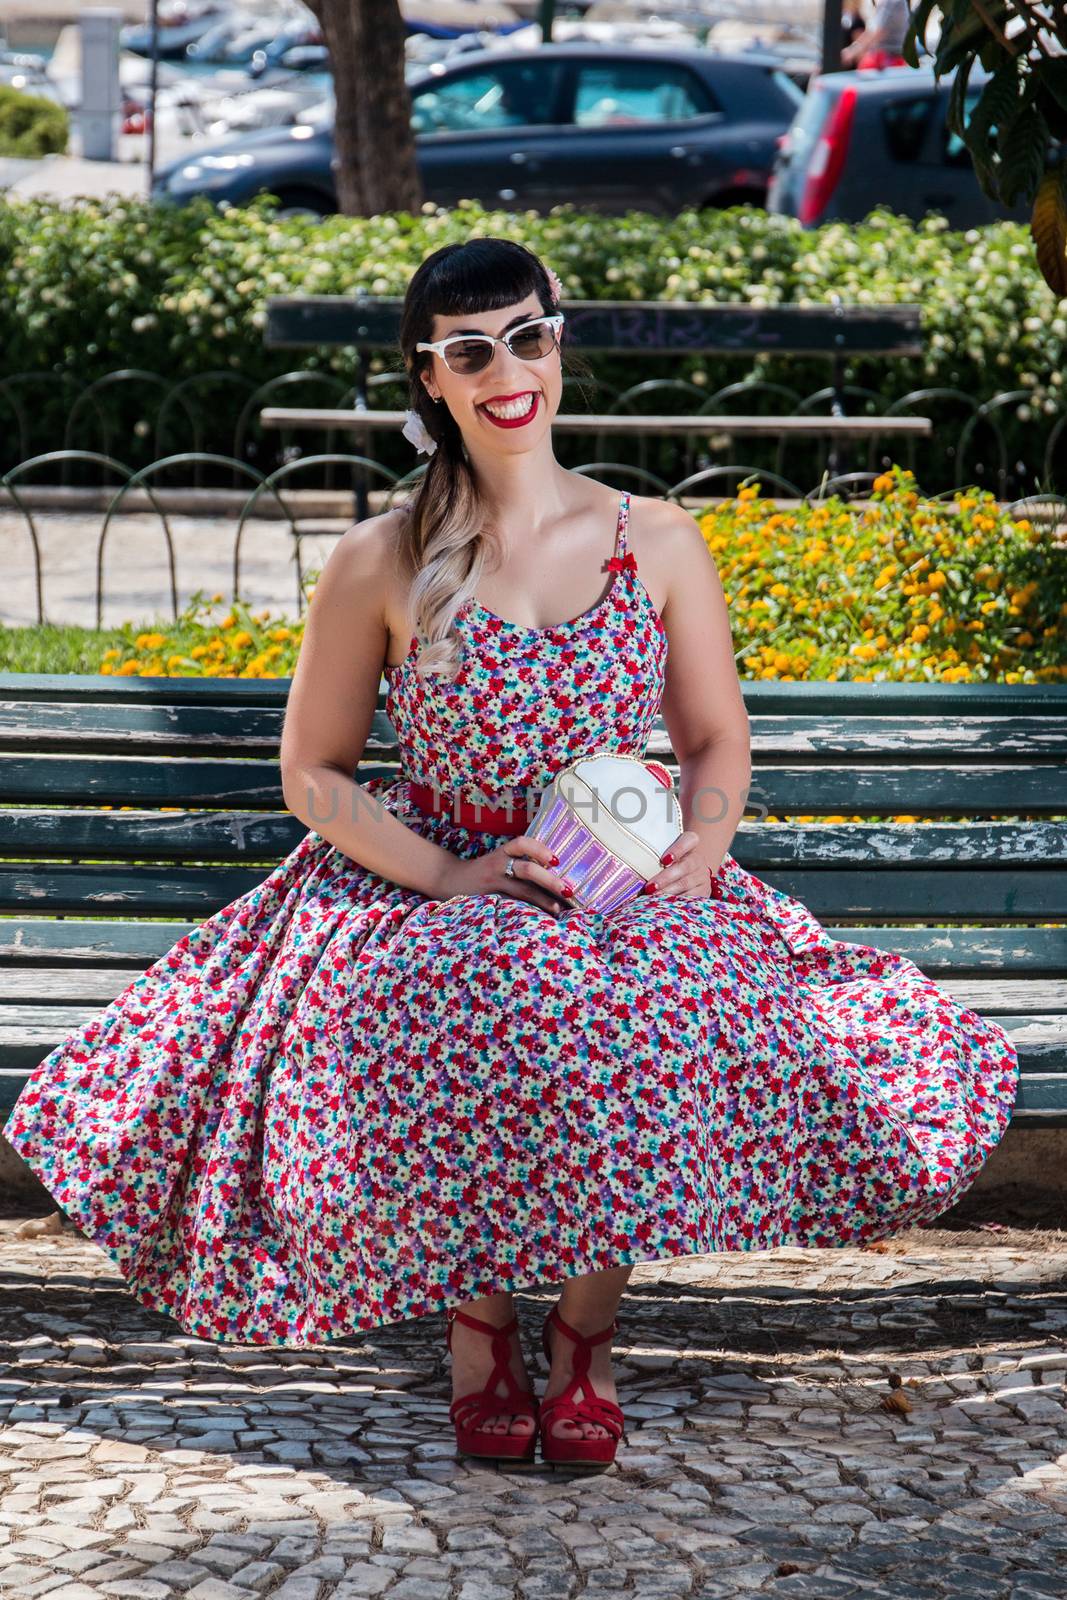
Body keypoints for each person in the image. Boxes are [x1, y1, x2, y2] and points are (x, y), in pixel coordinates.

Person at [6, 237, 1019, 1473]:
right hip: (433, 871)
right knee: (472, 989)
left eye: (527, 337)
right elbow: (313, 774)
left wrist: (699, 850)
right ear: (429, 378)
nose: (507, 371)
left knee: (628, 1005)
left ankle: (585, 1331)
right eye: (470, 350)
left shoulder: (653, 538)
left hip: (627, 873)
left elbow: (712, 736)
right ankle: (480, 1316)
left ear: (558, 341)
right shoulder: (380, 558)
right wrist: (447, 877)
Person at [842, 0, 911, 69]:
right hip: (886, 58)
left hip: (890, 59)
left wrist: (851, 52)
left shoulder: (891, 2)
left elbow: (878, 32)